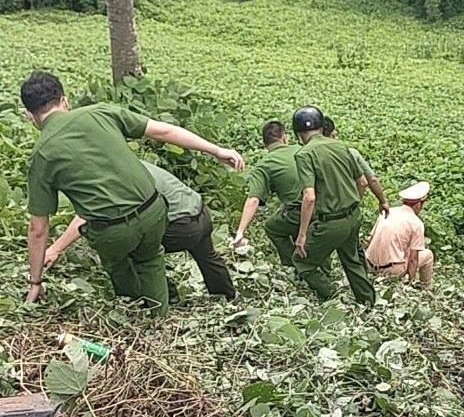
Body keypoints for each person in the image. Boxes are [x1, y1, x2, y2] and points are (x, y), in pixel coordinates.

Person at [21, 71, 244, 316]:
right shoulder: (100, 112)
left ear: (30, 116)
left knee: (121, 264)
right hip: (154, 210)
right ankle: (163, 318)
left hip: (114, 232)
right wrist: (216, 150)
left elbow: (38, 228)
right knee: (150, 259)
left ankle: (136, 313)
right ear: (64, 101)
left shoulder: (41, 155)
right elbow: (164, 132)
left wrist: (35, 281)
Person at [44, 160, 236, 301]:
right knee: (208, 256)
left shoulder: (114, 178)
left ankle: (167, 296)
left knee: (136, 247)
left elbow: (86, 215)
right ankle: (227, 298)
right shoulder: (131, 163)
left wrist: (55, 249)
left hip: (181, 226)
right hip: (199, 210)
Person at [291, 106, 375, 306]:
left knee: (302, 262)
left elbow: (309, 196)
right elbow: (362, 181)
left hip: (331, 222)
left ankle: (332, 297)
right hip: (353, 217)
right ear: (322, 127)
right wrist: (351, 204)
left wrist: (302, 234)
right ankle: (368, 303)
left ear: (298, 134)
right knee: (352, 261)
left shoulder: (304, 154)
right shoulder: (341, 147)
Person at [230, 121, 303, 266]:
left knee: (272, 227)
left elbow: (253, 200)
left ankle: (293, 265)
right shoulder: (303, 150)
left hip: (300, 212)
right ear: (285, 137)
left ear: (264, 143)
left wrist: (240, 231)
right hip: (327, 204)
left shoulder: (264, 165)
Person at [364, 181, 435, 290]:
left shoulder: (388, 212)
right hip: (391, 271)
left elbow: (369, 240)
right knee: (428, 255)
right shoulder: (416, 223)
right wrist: (410, 284)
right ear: (418, 205)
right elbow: (413, 259)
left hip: (369, 265)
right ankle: (427, 289)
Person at [322, 116, 390, 218]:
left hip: (325, 211)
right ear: (333, 134)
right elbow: (371, 180)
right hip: (349, 210)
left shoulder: (308, 156)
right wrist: (382, 201)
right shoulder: (351, 153)